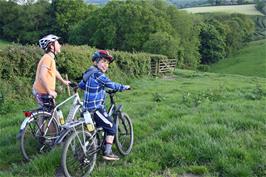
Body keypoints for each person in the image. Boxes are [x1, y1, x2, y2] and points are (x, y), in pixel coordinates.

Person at [79, 50, 130, 161]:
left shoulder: (89, 72)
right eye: (103, 61)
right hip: (95, 109)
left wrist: (96, 89)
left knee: (97, 128)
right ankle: (108, 152)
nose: (105, 65)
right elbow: (110, 84)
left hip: (85, 109)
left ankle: (96, 143)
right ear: (96, 62)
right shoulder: (98, 74)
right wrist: (123, 87)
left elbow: (82, 85)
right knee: (111, 127)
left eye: (107, 63)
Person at [33, 34, 70, 108]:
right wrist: (49, 91)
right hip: (43, 92)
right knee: (49, 114)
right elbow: (42, 76)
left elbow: (54, 71)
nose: (60, 45)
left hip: (44, 91)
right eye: (57, 43)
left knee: (48, 114)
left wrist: (63, 81)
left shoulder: (50, 58)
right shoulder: (47, 59)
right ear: (51, 46)